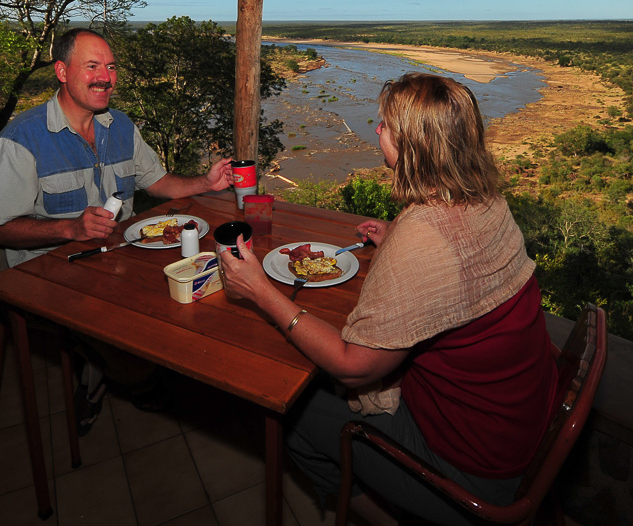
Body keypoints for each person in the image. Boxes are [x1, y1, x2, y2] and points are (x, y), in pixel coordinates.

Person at [218, 73, 558, 525]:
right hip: (521, 425)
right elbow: (458, 264)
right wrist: (396, 237)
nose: (376, 130)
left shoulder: (424, 237)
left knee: (292, 413)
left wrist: (261, 291)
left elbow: (352, 367)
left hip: (475, 471)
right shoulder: (483, 198)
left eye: (385, 124)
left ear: (415, 145)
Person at [0, 27, 233, 423]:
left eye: (110, 67)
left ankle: (141, 369)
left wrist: (205, 182)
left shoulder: (121, 127)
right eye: (92, 66)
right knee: (135, 334)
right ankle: (121, 376)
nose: (105, 77)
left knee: (208, 287)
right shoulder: (22, 139)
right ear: (62, 71)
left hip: (118, 262)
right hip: (49, 274)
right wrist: (68, 229)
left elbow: (159, 183)